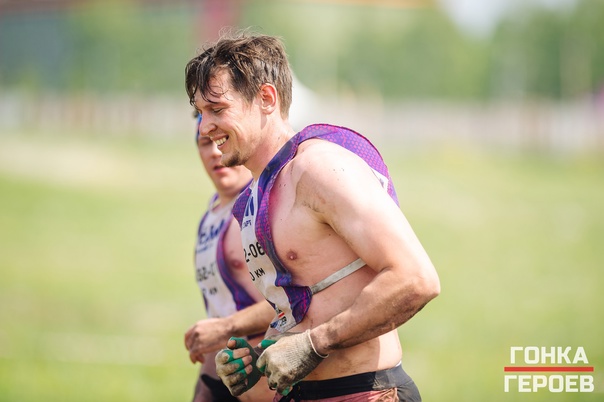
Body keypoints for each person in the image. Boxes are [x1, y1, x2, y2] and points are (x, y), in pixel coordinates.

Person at [184, 31, 441, 402]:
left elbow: (416, 279)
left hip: (367, 393)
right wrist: (258, 358)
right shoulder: (256, 196)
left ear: (266, 98)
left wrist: (314, 344)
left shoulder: (318, 169)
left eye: (218, 110)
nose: (204, 126)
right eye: (202, 112)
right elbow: (301, 308)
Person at [185, 112, 275, 402]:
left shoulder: (264, 209)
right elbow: (220, 310)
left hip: (272, 385)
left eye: (221, 140)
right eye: (204, 142)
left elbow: (299, 302)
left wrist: (224, 328)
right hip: (227, 380)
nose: (214, 151)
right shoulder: (212, 213)